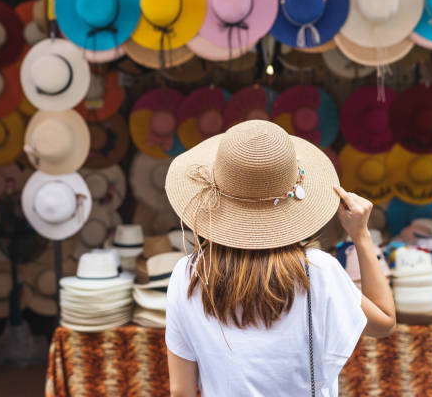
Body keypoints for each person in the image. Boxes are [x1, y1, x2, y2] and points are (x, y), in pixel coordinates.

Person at [164, 120, 396, 396]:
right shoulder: (318, 271)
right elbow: (384, 323)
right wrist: (361, 236)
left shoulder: (188, 275)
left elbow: (182, 391)